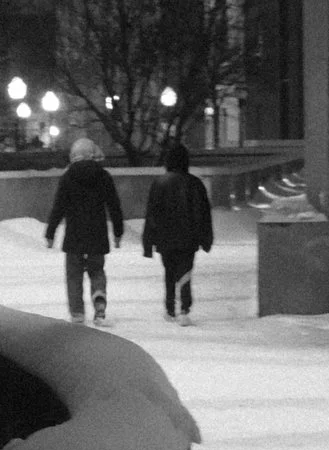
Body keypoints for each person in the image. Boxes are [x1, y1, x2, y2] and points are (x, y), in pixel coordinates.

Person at [44, 136, 125, 325]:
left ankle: (77, 313)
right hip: (97, 235)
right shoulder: (104, 176)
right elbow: (114, 206)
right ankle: (99, 297)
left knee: (74, 275)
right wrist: (118, 232)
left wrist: (50, 233)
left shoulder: (67, 177)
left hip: (74, 236)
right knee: (97, 270)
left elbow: (58, 207)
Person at [142, 142, 215, 322]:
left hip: (165, 237)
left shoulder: (159, 183)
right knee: (185, 270)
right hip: (189, 237)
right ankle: (184, 308)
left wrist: (148, 242)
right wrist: (206, 238)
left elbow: (152, 214)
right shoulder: (195, 184)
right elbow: (203, 213)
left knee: (169, 271)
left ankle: (170, 308)